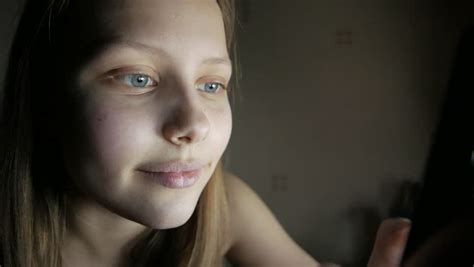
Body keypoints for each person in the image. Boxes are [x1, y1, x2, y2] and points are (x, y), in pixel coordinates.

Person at [0, 0, 411, 266]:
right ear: (46, 96)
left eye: (211, 84)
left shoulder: (227, 206)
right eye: (138, 79)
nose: (195, 124)